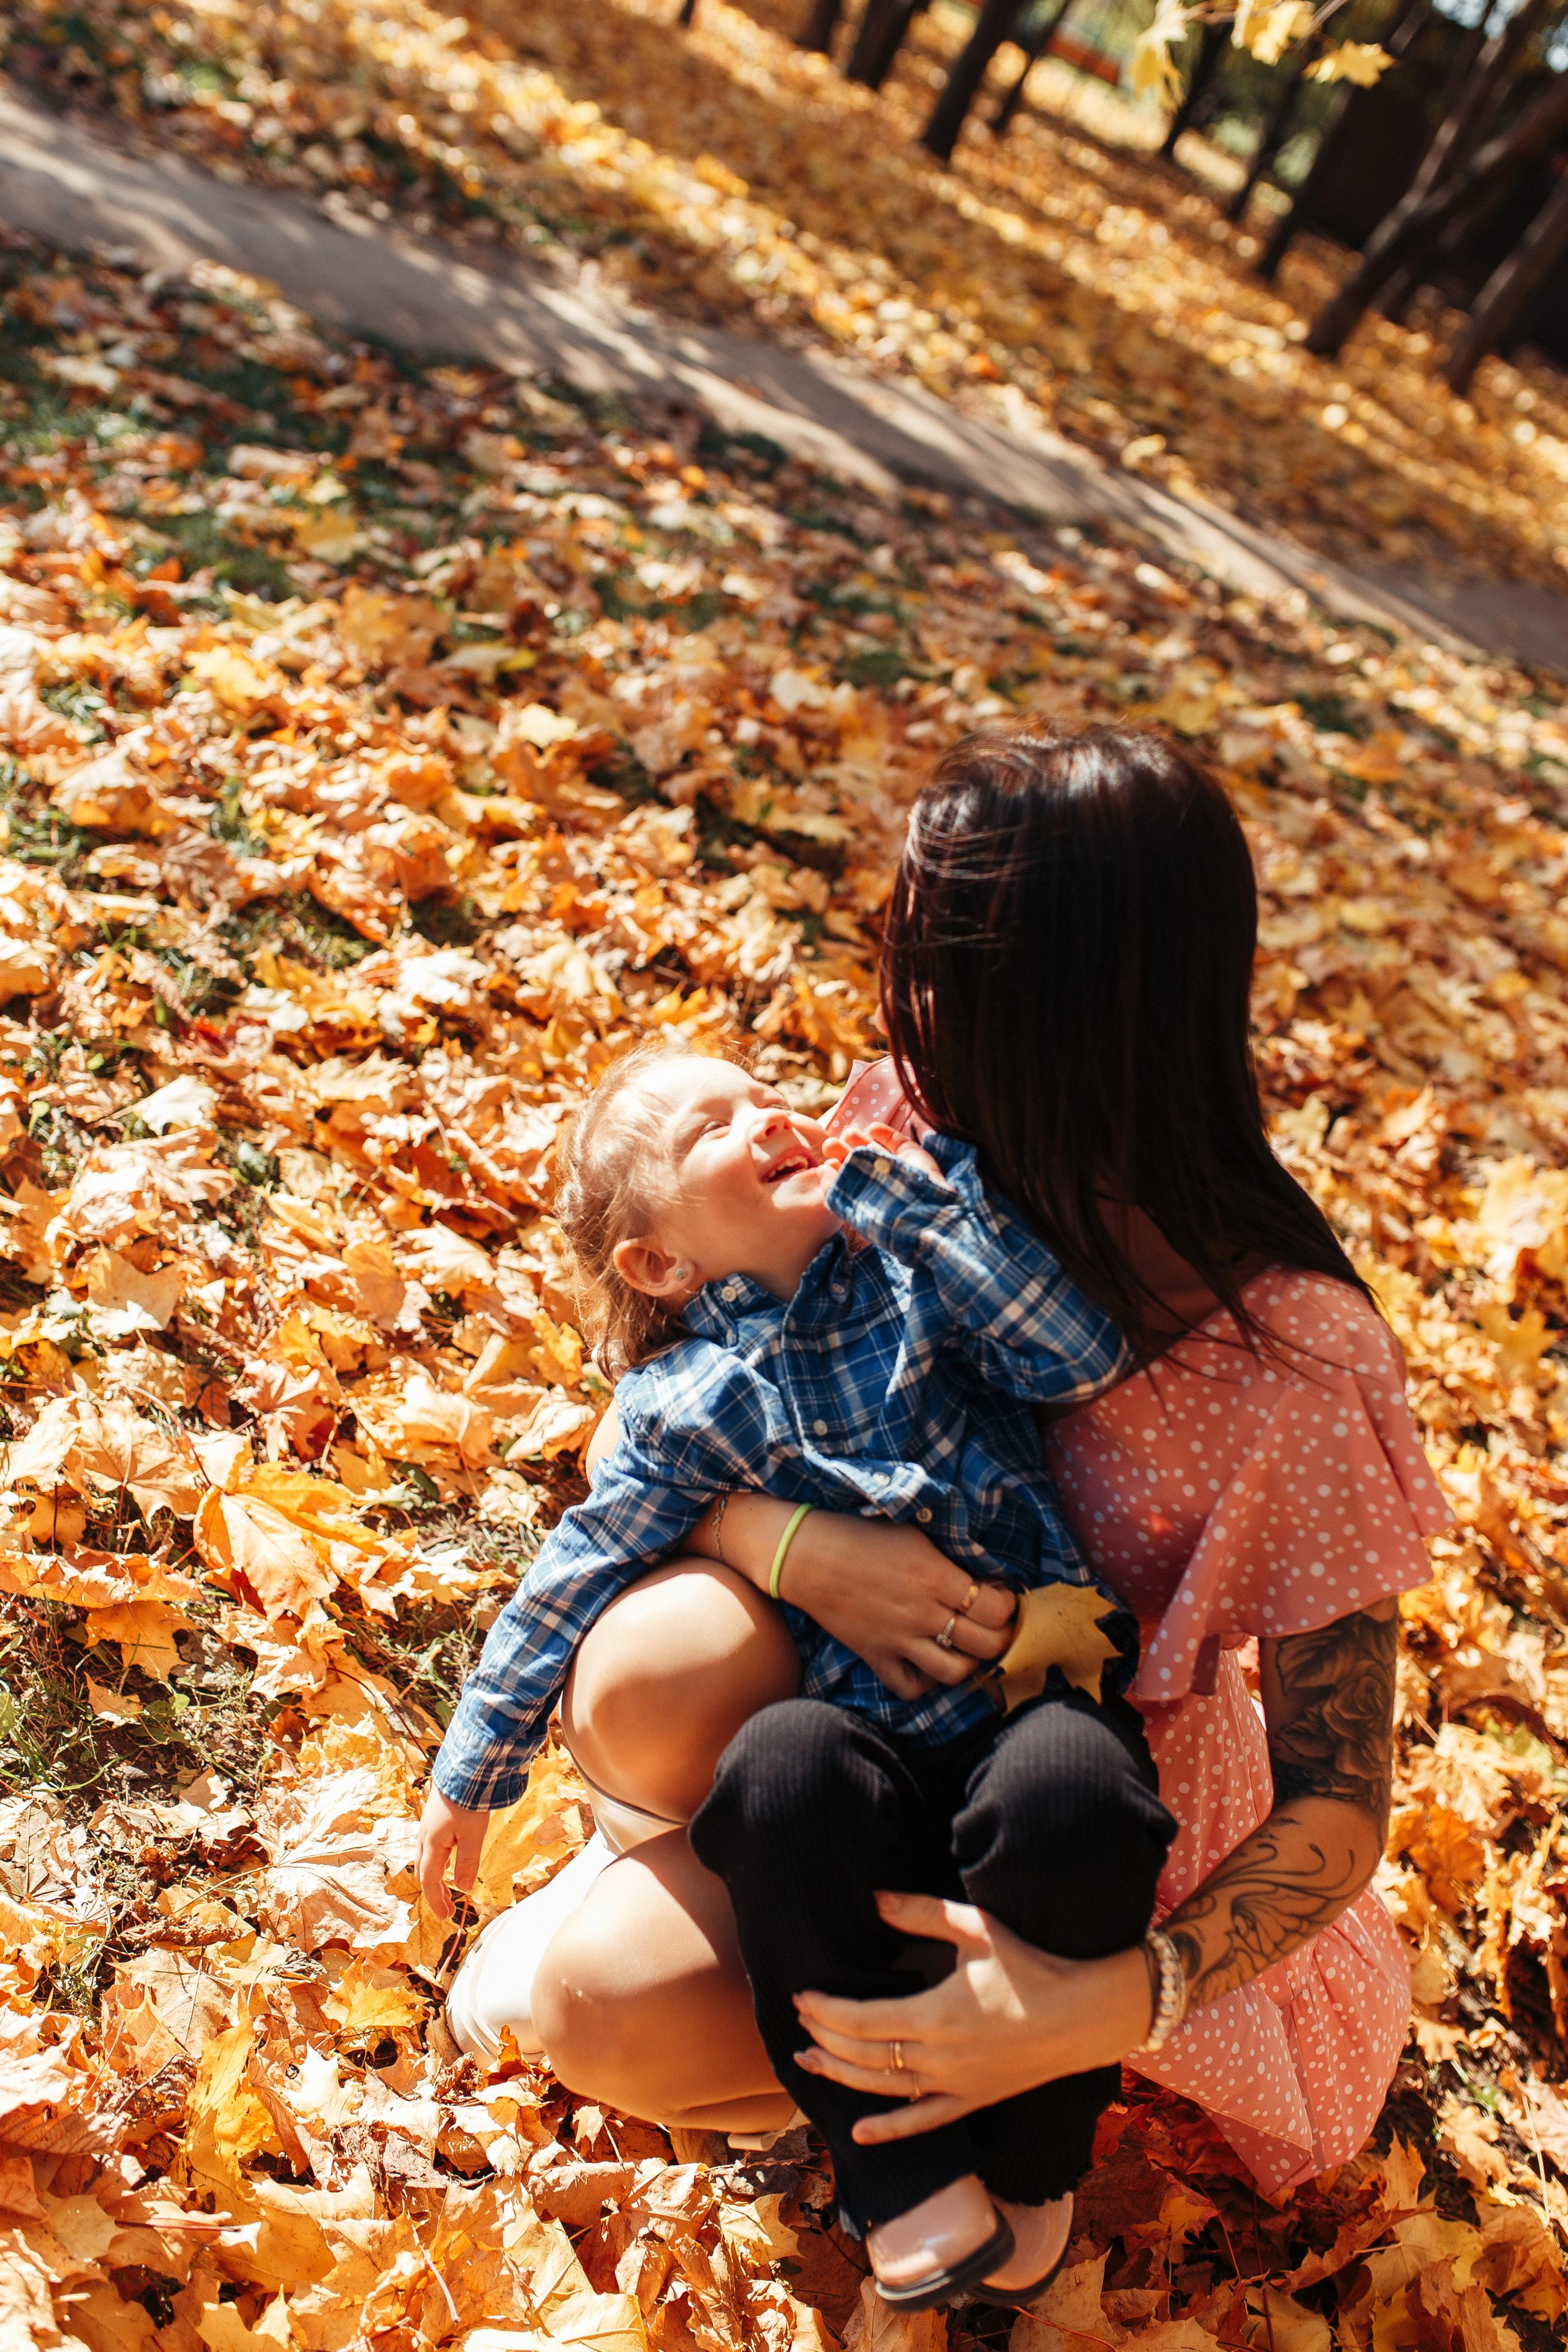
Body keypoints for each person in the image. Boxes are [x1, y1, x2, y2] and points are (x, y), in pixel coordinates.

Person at [424, 723, 1447, 2293]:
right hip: (853, 1719)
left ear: (1055, 1007)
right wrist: (782, 1545)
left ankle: (952, 2099)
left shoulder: (1293, 1360)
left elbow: (1339, 1802)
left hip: (1095, 1810)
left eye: (924, 960)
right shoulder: (904, 1125)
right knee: (647, 1680)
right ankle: (708, 1877)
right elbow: (675, 1421)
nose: (890, 998)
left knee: (618, 2007)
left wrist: (1118, 2000)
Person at [420, 1031, 1174, 2307]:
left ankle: (1033, 2164)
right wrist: (471, 1767)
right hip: (860, 1734)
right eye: (711, 1128)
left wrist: (914, 1210)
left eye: (769, 1096)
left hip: (1026, 1694)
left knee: (1077, 1798)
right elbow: (574, 1567)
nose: (767, 1117)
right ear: (657, 1262)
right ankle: (900, 2169)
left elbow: (1075, 1358)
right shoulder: (679, 1400)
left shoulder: (914, 1266)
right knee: (779, 1770)